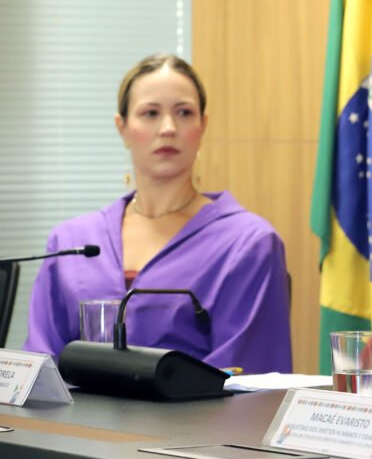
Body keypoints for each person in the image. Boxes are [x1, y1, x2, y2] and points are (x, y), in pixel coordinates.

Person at [23, 54, 292, 373]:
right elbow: (38, 369)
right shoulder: (70, 240)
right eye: (150, 113)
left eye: (184, 112)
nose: (168, 128)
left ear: (202, 126)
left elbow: (247, 379)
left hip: (195, 422)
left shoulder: (249, 244)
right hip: (74, 423)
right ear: (122, 128)